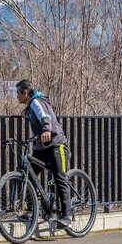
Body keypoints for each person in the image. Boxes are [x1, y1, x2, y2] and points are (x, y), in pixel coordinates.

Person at [15, 79, 72, 228]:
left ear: (25, 93)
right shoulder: (31, 105)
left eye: (18, 93)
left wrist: (47, 129)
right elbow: (35, 114)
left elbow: (44, 116)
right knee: (29, 173)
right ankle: (30, 210)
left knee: (60, 178)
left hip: (56, 144)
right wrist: (25, 113)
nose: (17, 97)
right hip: (43, 147)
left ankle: (67, 216)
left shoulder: (36, 102)